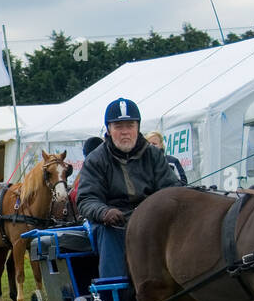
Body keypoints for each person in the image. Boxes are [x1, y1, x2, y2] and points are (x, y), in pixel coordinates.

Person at [76, 98, 179, 280]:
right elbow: (86, 199)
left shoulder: (154, 155)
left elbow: (171, 188)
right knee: (109, 233)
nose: (125, 132)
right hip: (115, 222)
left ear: (138, 127)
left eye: (130, 126)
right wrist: (104, 212)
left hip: (151, 218)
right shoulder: (95, 160)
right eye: (118, 126)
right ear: (108, 129)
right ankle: (114, 296)